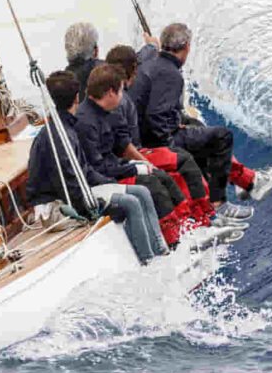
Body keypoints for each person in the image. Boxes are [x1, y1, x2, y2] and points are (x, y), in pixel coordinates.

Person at [129, 23, 272, 210]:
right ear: (187, 46)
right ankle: (227, 200)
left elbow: (144, 58)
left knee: (198, 126)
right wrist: (173, 139)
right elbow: (156, 116)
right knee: (219, 138)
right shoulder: (171, 75)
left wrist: (150, 45)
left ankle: (245, 180)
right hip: (157, 140)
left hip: (142, 134)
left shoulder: (147, 61)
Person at [26, 70, 169, 262]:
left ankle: (162, 251)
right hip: (57, 207)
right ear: (77, 98)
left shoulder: (65, 129)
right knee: (131, 202)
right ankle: (148, 261)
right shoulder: (61, 136)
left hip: (73, 193)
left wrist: (112, 183)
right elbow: (71, 187)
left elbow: (84, 172)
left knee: (141, 191)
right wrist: (97, 206)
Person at [74, 63, 193, 245]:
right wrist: (132, 170)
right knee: (153, 185)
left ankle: (189, 226)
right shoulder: (85, 122)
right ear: (110, 93)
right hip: (102, 179)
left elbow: (121, 146)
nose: (122, 97)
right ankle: (173, 242)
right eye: (121, 92)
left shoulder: (109, 112)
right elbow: (97, 168)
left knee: (162, 176)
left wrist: (143, 164)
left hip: (115, 167)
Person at [105, 44, 221, 227]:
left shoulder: (115, 91)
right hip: (133, 156)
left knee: (187, 150)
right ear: (134, 69)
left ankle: (206, 214)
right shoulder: (120, 101)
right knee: (183, 163)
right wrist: (146, 162)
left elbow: (143, 54)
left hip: (136, 150)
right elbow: (124, 145)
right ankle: (198, 222)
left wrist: (151, 45)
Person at [64, 21, 160, 102]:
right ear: (96, 50)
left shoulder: (62, 82)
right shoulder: (102, 70)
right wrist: (152, 46)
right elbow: (129, 61)